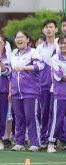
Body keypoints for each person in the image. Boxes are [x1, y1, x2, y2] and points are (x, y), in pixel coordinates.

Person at [10, 31, 43, 151]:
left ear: (27, 39)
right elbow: (8, 71)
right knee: (18, 117)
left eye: (22, 37)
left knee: (31, 116)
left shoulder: (33, 52)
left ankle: (35, 142)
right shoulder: (13, 54)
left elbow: (40, 66)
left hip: (30, 91)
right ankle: (19, 142)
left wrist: (24, 67)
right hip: (16, 92)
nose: (19, 39)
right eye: (17, 37)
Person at [36, 19, 59, 147]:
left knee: (55, 112)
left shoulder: (60, 44)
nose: (48, 29)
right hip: (44, 84)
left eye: (51, 27)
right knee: (44, 111)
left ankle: (55, 138)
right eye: (46, 27)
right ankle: (44, 138)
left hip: (58, 84)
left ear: (56, 29)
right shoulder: (39, 48)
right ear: (43, 31)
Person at [47, 36, 66, 153]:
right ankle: (51, 142)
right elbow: (58, 76)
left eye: (65, 43)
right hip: (60, 93)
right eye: (62, 44)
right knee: (57, 119)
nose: (63, 46)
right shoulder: (55, 58)